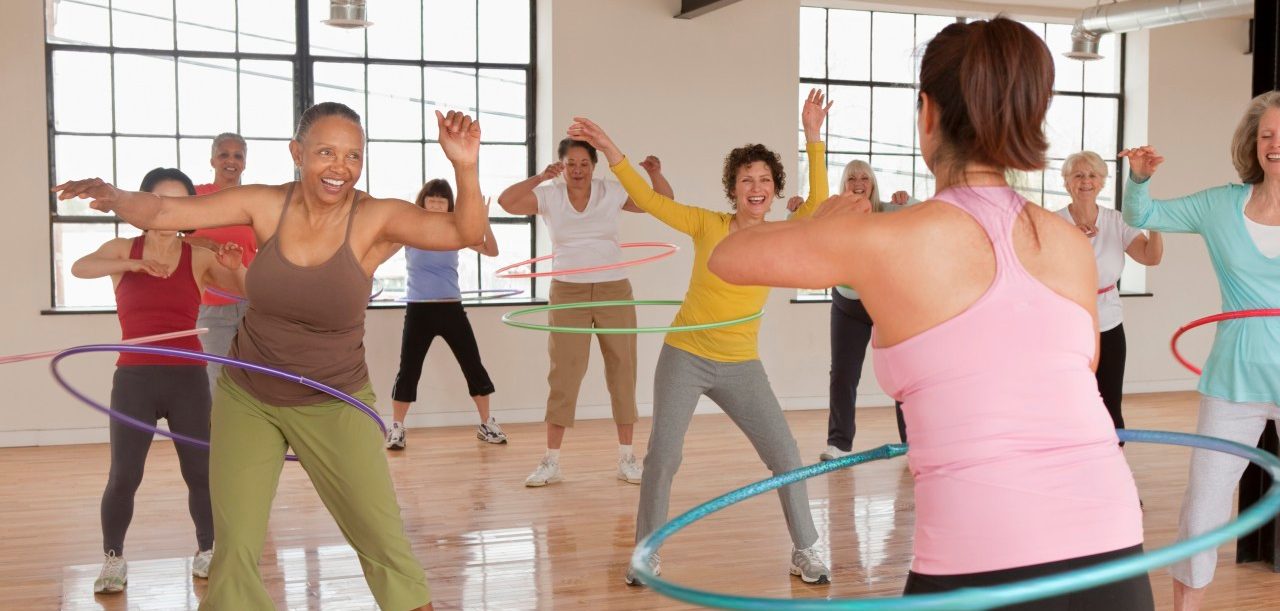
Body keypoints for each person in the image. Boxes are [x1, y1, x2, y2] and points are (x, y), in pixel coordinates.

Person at [708, 18, 1152, 609]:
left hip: (979, 551)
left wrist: (827, 223)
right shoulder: (1068, 243)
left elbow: (730, 256)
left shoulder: (886, 240)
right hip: (1112, 540)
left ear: (926, 113)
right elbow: (1075, 375)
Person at [55, 102, 489, 611]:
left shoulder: (375, 217)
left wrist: (465, 164)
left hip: (335, 397)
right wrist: (114, 196)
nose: (340, 166)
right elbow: (166, 213)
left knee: (381, 537)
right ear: (297, 154)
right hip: (251, 397)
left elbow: (465, 232)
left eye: (353, 155)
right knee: (234, 548)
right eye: (326, 152)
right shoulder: (265, 205)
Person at [566, 92, 835, 587]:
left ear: (775, 190)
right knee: (664, 455)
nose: (756, 188)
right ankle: (647, 553)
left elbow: (817, 207)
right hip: (685, 356)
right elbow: (650, 200)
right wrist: (608, 146)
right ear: (732, 190)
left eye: (764, 181)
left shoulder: (780, 234)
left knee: (786, 455)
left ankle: (806, 549)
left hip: (741, 365)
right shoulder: (707, 224)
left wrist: (813, 136)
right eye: (745, 180)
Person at [1119, 90, 1280, 611]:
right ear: (1252, 144)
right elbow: (1144, 212)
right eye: (1267, 135)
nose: (1275, 145)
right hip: (1233, 382)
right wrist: (1139, 177)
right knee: (1202, 511)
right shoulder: (1219, 205)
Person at [70, 167, 246, 595]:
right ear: (144, 206)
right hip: (135, 379)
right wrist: (132, 263)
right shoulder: (121, 248)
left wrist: (236, 268)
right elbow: (79, 267)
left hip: (187, 377)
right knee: (124, 475)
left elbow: (248, 292)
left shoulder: (199, 255)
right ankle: (113, 558)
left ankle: (207, 550)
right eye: (159, 202)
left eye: (177, 204)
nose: (167, 213)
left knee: (200, 473)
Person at [497, 138, 672, 487]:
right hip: (567, 291)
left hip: (613, 288)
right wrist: (539, 177)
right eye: (570, 163)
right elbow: (507, 202)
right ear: (562, 166)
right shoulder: (549, 195)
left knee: (623, 370)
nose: (578, 170)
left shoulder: (611, 191)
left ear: (595, 166)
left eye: (584, 164)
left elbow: (662, 203)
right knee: (564, 375)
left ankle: (627, 458)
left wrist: (655, 174)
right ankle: (551, 461)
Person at [787, 141, 915, 458]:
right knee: (843, 374)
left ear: (873, 184)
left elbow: (932, 215)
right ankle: (839, 444)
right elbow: (798, 229)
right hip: (848, 304)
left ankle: (914, 443)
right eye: (851, 180)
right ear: (844, 185)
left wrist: (909, 199)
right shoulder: (832, 214)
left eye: (864, 179)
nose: (858, 185)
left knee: (903, 374)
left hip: (887, 303)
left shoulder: (889, 210)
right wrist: (796, 208)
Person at [386, 178, 503, 449]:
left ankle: (487, 424)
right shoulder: (411, 231)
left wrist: (483, 220)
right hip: (418, 308)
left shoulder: (457, 230)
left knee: (472, 365)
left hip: (451, 307)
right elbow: (382, 251)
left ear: (450, 204)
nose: (437, 203)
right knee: (408, 370)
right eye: (432, 198)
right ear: (423, 201)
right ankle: (397, 428)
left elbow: (492, 250)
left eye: (442, 199)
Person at [1055, 151, 1162, 440]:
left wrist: (1156, 222)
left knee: (1110, 400)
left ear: (1102, 182)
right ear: (1066, 182)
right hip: (1067, 324)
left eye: (1092, 175)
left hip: (1110, 323)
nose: (1085, 181)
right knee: (1071, 399)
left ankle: (1111, 456)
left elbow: (1150, 258)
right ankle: (1072, 456)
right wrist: (1072, 239)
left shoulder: (1117, 221)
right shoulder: (1052, 223)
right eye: (1078, 175)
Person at [183, 133, 257, 395]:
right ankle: (221, 436)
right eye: (224, 154)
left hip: (254, 304)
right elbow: (178, 243)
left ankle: (255, 435)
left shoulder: (254, 200)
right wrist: (210, 245)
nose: (231, 160)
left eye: (238, 155)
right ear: (212, 160)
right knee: (219, 382)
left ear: (245, 163)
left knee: (256, 380)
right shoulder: (196, 196)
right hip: (212, 306)